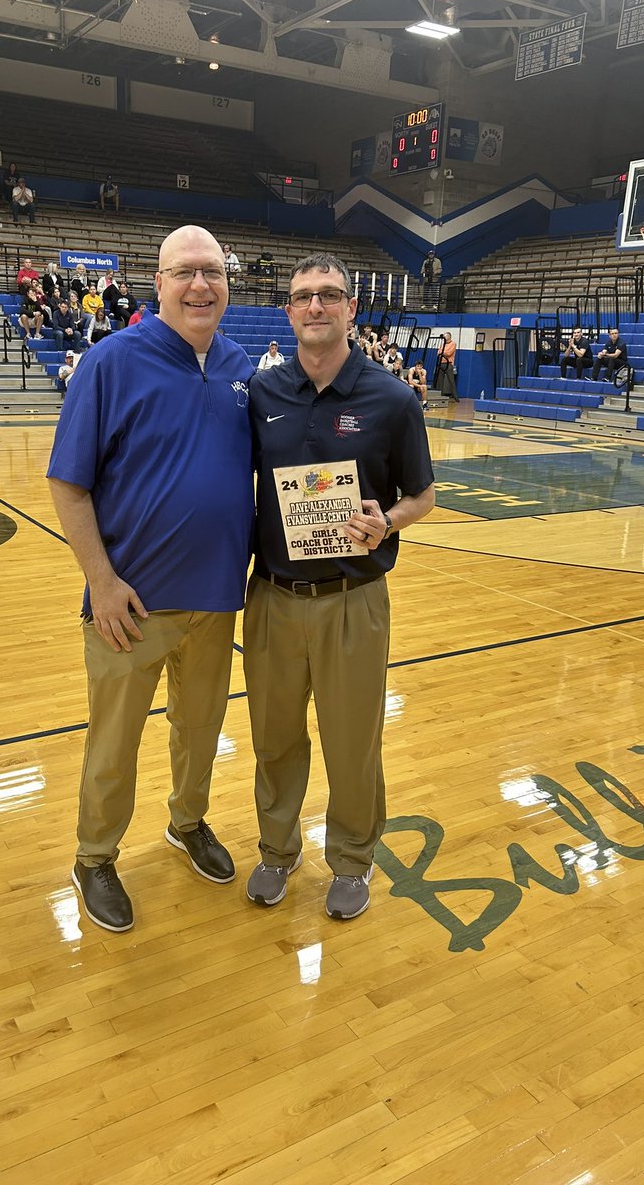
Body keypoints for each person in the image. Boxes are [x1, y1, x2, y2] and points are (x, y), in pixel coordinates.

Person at [46, 224, 254, 933]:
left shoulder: (238, 366)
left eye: (213, 272)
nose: (201, 284)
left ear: (228, 282)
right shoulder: (111, 362)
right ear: (157, 283)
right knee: (114, 744)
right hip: (128, 605)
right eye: (185, 272)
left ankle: (187, 822)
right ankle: (94, 857)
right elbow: (68, 485)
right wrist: (101, 582)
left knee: (200, 731)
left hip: (217, 598)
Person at [243, 252, 435, 921]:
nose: (317, 306)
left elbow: (423, 495)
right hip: (270, 597)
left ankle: (352, 859)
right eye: (304, 296)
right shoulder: (261, 394)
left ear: (352, 308)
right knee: (273, 738)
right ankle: (276, 847)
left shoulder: (392, 398)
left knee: (352, 740)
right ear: (289, 311)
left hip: (354, 600)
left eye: (330, 294)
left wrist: (389, 521)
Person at [437, 332, 459, 400]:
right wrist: (442, 353)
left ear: (449, 337)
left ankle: (455, 396)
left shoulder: (453, 344)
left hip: (449, 363)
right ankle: (440, 395)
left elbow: (449, 353)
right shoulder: (442, 344)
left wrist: (442, 353)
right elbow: (438, 352)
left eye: (445, 336)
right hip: (441, 363)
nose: (444, 338)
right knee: (440, 380)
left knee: (451, 380)